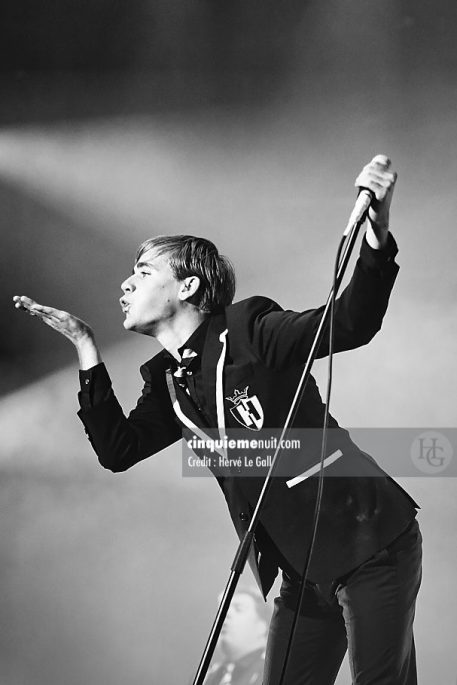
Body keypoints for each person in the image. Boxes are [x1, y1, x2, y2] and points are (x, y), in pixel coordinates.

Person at [13, 155, 422, 685]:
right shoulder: (167, 381)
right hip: (304, 569)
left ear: (186, 288)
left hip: (369, 540)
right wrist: (86, 347)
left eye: (143, 272)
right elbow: (118, 451)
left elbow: (350, 322)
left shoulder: (251, 329)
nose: (125, 285)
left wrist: (377, 232)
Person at [203, 587, 270, 685]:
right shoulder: (208, 675)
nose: (225, 614)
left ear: (263, 626)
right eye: (221, 609)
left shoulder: (272, 673)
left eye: (239, 609)